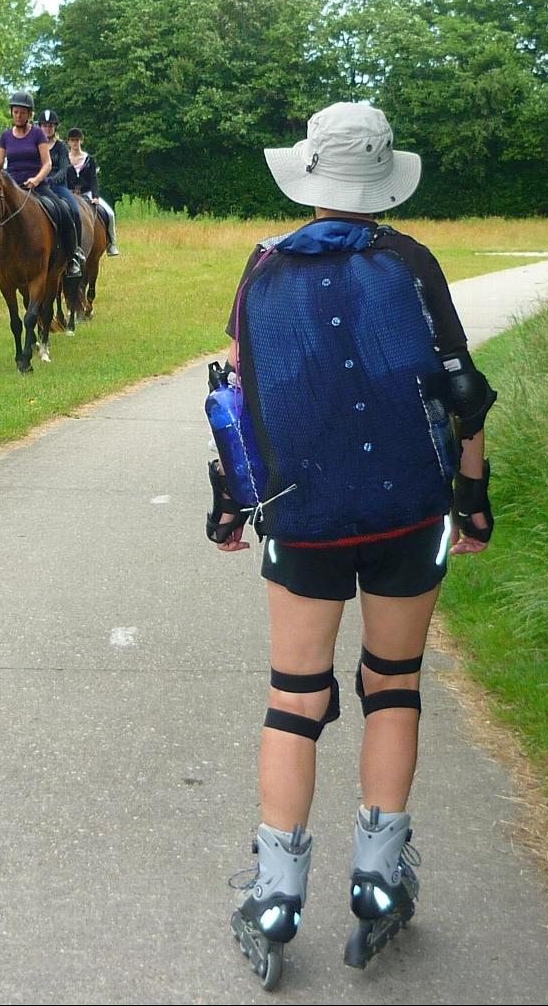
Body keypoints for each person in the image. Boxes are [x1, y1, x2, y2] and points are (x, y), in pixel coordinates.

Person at [210, 103, 496, 987]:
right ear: (382, 180)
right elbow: (463, 396)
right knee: (394, 685)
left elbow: (234, 398)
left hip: (302, 517)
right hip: (410, 515)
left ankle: (276, 891)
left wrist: (229, 505)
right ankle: (377, 878)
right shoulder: (413, 263)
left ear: (309, 173)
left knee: (295, 696)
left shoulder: (264, 268)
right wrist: (473, 500)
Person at [0, 95, 83, 282]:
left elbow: (47, 163)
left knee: (63, 210)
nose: (18, 116)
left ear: (29, 114)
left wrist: (36, 179)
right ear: (11, 113)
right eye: (15, 112)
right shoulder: (5, 136)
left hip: (37, 186)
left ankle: (71, 259)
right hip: (12, 187)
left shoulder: (37, 134)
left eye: (22, 112)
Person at [65, 128, 121, 256]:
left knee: (110, 213)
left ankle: (112, 243)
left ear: (81, 141)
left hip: (87, 193)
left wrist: (95, 196)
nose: (75, 143)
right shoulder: (65, 159)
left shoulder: (89, 159)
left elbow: (93, 179)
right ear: (68, 142)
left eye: (77, 140)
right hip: (69, 193)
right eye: (73, 140)